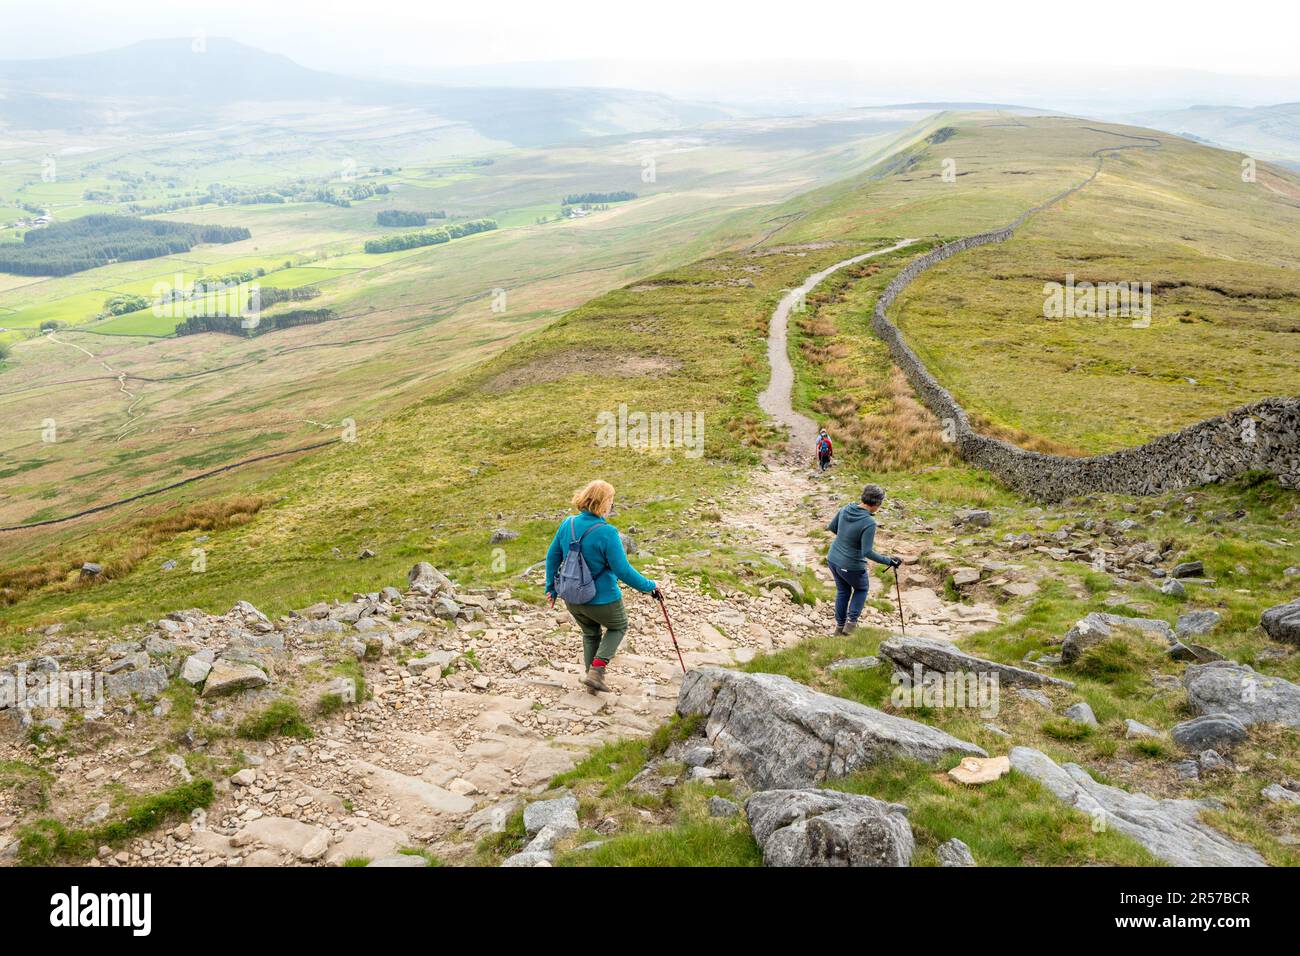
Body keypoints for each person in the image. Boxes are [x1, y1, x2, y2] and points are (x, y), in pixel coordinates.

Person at [545, 479, 659, 692]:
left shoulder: (567, 524)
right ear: (602, 503)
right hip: (602, 599)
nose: (612, 505)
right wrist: (649, 585)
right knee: (618, 626)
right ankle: (597, 670)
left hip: (571, 597)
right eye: (611, 501)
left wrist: (550, 588)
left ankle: (592, 684)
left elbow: (552, 557)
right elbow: (622, 570)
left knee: (590, 634)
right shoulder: (608, 533)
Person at [826, 483, 901, 635]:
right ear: (877, 503)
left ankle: (839, 628)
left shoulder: (846, 508)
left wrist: (846, 539)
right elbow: (867, 551)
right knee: (861, 589)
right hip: (851, 565)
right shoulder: (869, 522)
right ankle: (851, 625)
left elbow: (832, 528)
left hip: (833, 559)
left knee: (842, 591)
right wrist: (889, 561)